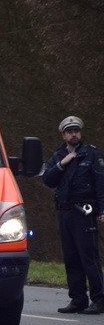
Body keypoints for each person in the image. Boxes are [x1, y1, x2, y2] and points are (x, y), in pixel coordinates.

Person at [41, 116, 104, 314]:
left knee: (89, 257)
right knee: (71, 257)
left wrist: (102, 210)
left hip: (84, 212)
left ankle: (100, 299)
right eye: (69, 131)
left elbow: (101, 184)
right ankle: (78, 299)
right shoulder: (58, 155)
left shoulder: (91, 154)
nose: (73, 133)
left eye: (76, 130)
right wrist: (62, 163)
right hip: (64, 212)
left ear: (80, 132)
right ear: (63, 134)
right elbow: (48, 180)